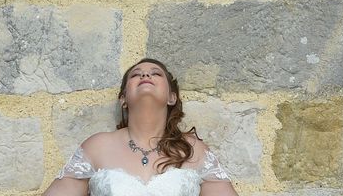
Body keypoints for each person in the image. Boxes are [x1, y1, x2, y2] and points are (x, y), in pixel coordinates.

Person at [43, 58, 239, 196]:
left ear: (172, 97)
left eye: (156, 73)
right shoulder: (97, 146)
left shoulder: (194, 149)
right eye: (136, 74)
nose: (145, 74)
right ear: (123, 99)